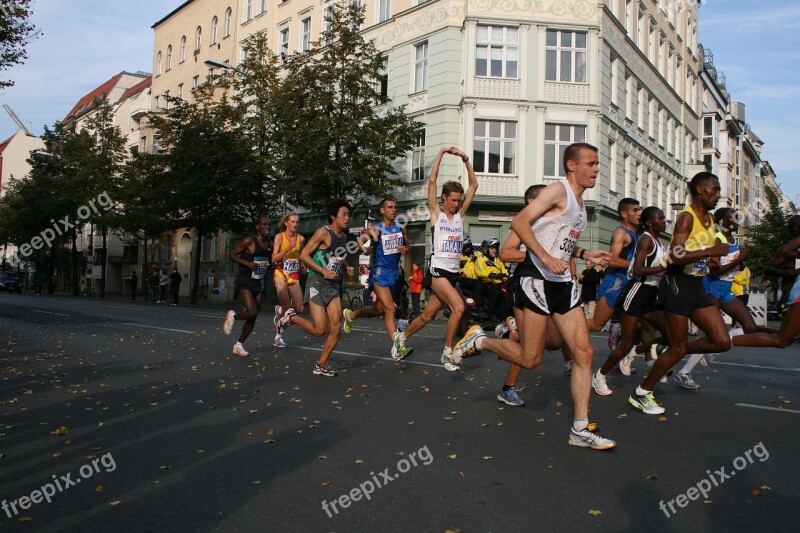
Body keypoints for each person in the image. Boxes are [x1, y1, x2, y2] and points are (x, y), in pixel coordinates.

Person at [451, 143, 616, 450]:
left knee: (585, 353)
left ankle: (580, 428)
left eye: (597, 164)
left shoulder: (579, 204)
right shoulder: (557, 190)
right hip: (537, 280)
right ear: (572, 165)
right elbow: (519, 223)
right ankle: (480, 341)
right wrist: (543, 257)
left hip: (562, 283)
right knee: (531, 358)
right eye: (591, 163)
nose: (597, 169)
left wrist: (584, 252)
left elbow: (560, 242)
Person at [628, 172, 732, 415]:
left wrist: (713, 260)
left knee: (721, 341)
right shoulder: (686, 217)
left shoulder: (709, 219)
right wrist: (710, 250)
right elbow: (675, 255)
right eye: (714, 190)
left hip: (697, 284)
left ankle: (676, 348)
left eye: (718, 190)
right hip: (677, 285)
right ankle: (642, 393)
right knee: (678, 348)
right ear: (700, 190)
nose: (718, 195)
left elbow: (701, 253)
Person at [391, 146, 478, 371]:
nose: (457, 204)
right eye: (453, 200)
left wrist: (465, 158)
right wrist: (441, 153)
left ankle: (401, 337)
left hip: (451, 274)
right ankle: (447, 353)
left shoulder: (460, 216)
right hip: (437, 271)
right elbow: (431, 181)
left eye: (459, 200)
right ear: (444, 198)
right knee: (458, 308)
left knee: (428, 315)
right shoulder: (436, 214)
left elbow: (474, 184)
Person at [495, 184, 574, 408]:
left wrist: (571, 274)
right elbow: (505, 253)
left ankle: (510, 336)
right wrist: (541, 255)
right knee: (532, 348)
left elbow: (565, 255)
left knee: (554, 341)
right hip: (523, 285)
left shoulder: (552, 225)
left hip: (549, 285)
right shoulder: (524, 223)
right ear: (532, 202)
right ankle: (507, 388)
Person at [592, 207, 668, 396]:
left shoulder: (658, 242)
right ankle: (599, 376)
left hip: (651, 294)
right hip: (637, 292)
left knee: (670, 334)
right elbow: (637, 270)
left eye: (664, 217)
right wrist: (661, 268)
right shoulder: (645, 240)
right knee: (624, 342)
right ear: (649, 222)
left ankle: (634, 353)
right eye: (660, 218)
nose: (664, 221)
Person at [276, 199, 354, 377]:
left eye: (349, 214)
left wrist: (346, 266)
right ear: (333, 216)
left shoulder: (343, 237)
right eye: (344, 214)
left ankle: (321, 364)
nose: (347, 218)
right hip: (317, 284)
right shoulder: (322, 233)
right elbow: (304, 255)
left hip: (332, 286)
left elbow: (337, 256)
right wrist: (323, 270)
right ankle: (291, 318)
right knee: (320, 330)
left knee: (336, 326)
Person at [342, 197, 413, 359]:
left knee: (378, 310)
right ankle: (397, 347)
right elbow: (359, 242)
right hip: (379, 272)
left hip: (394, 273)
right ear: (382, 210)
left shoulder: (401, 228)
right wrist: (364, 249)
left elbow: (408, 245)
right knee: (390, 309)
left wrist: (405, 249)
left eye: (395, 207)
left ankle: (351, 315)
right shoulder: (377, 228)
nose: (394, 210)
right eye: (390, 207)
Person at [730, 223, 800, 349]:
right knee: (782, 340)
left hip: (794, 291)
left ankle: (728, 338)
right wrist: (790, 272)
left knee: (783, 339)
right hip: (792, 292)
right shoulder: (788, 248)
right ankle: (723, 340)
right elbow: (781, 255)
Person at [586, 198, 642, 349]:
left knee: (640, 323)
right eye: (635, 210)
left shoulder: (638, 234)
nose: (639, 214)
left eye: (640, 210)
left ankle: (620, 341)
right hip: (615, 283)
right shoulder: (621, 233)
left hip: (631, 283)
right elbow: (611, 260)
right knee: (597, 324)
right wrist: (637, 266)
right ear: (624, 214)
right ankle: (567, 329)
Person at [221, 217, 273, 357]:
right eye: (264, 224)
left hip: (258, 282)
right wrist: (247, 264)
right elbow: (231, 255)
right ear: (257, 227)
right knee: (251, 312)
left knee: (253, 316)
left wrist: (273, 266)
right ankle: (233, 317)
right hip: (245, 280)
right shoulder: (249, 241)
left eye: (269, 224)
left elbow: (268, 262)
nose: (267, 226)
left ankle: (238, 345)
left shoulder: (270, 244)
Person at [272, 212, 306, 348]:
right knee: (288, 308)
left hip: (293, 275)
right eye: (292, 222)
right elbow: (273, 258)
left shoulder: (301, 239)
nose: (295, 224)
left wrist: (302, 265)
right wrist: (288, 248)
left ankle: (279, 310)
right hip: (280, 273)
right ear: (286, 223)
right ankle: (277, 338)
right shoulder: (279, 237)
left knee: (299, 309)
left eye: (297, 222)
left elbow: (301, 255)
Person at [475, 238, 509, 322]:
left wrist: (506, 277)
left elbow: (505, 271)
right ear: (486, 248)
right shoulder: (480, 259)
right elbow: (479, 271)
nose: (494, 250)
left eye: (496, 248)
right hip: (486, 283)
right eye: (492, 248)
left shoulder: (498, 260)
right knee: (495, 290)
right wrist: (491, 275)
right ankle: (491, 313)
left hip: (499, 283)